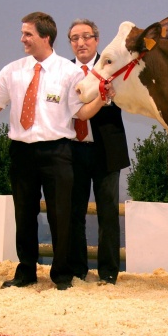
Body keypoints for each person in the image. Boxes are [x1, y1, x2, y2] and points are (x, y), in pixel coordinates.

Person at [0, 12, 106, 290]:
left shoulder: (69, 72)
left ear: (45, 37)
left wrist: (102, 96)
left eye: (28, 34)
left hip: (58, 153)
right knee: (23, 215)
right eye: (22, 33)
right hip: (21, 152)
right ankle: (26, 271)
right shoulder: (12, 70)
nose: (22, 39)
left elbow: (82, 112)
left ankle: (61, 275)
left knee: (60, 215)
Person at [66, 19, 129, 285]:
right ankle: (78, 269)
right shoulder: (64, 71)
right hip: (72, 151)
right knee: (73, 213)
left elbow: (124, 100)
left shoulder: (110, 67)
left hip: (106, 150)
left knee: (108, 214)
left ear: (96, 40)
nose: (81, 42)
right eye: (75, 38)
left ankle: (109, 273)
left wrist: (110, 97)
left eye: (86, 37)